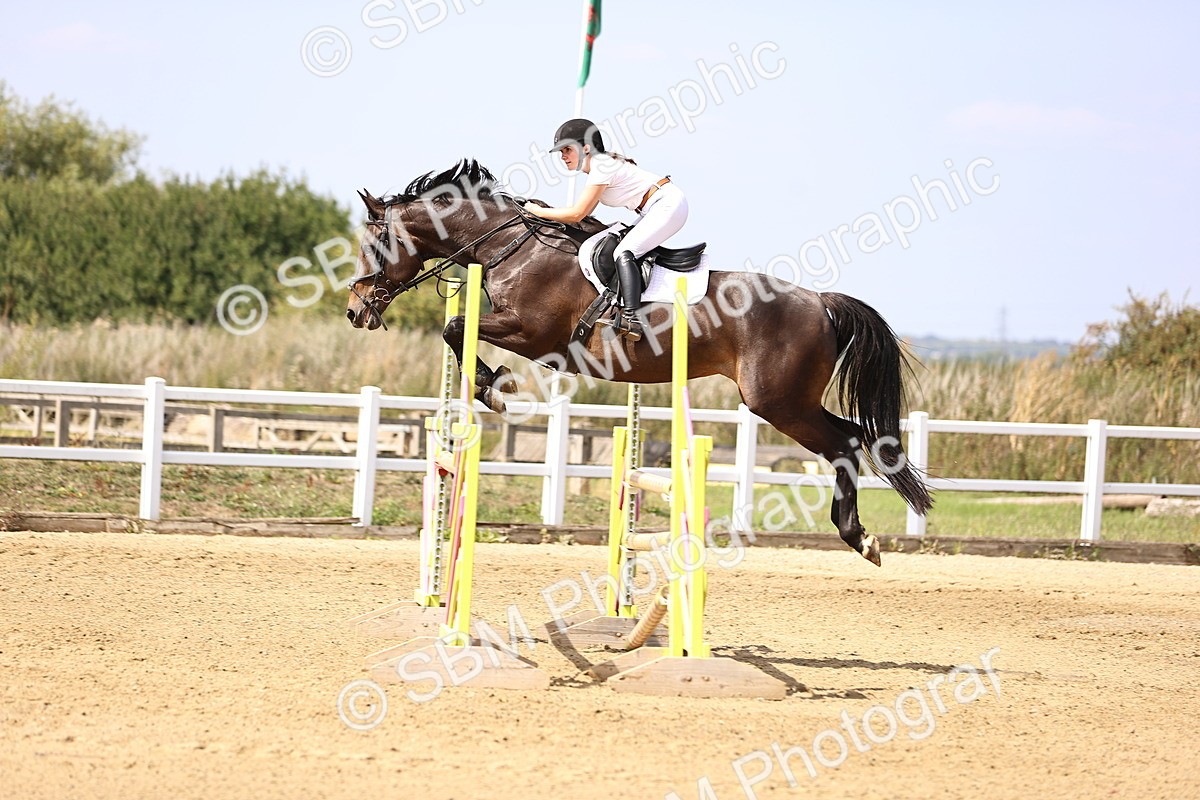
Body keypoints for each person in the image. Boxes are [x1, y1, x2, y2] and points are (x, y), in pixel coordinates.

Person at [524, 118, 688, 341]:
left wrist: (538, 212)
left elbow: (576, 214)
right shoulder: (599, 166)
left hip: (667, 204)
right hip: (655, 207)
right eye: (561, 151)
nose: (563, 156)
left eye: (567, 149)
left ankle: (632, 318)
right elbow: (581, 215)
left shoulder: (601, 166)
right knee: (620, 244)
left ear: (586, 148)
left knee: (623, 252)